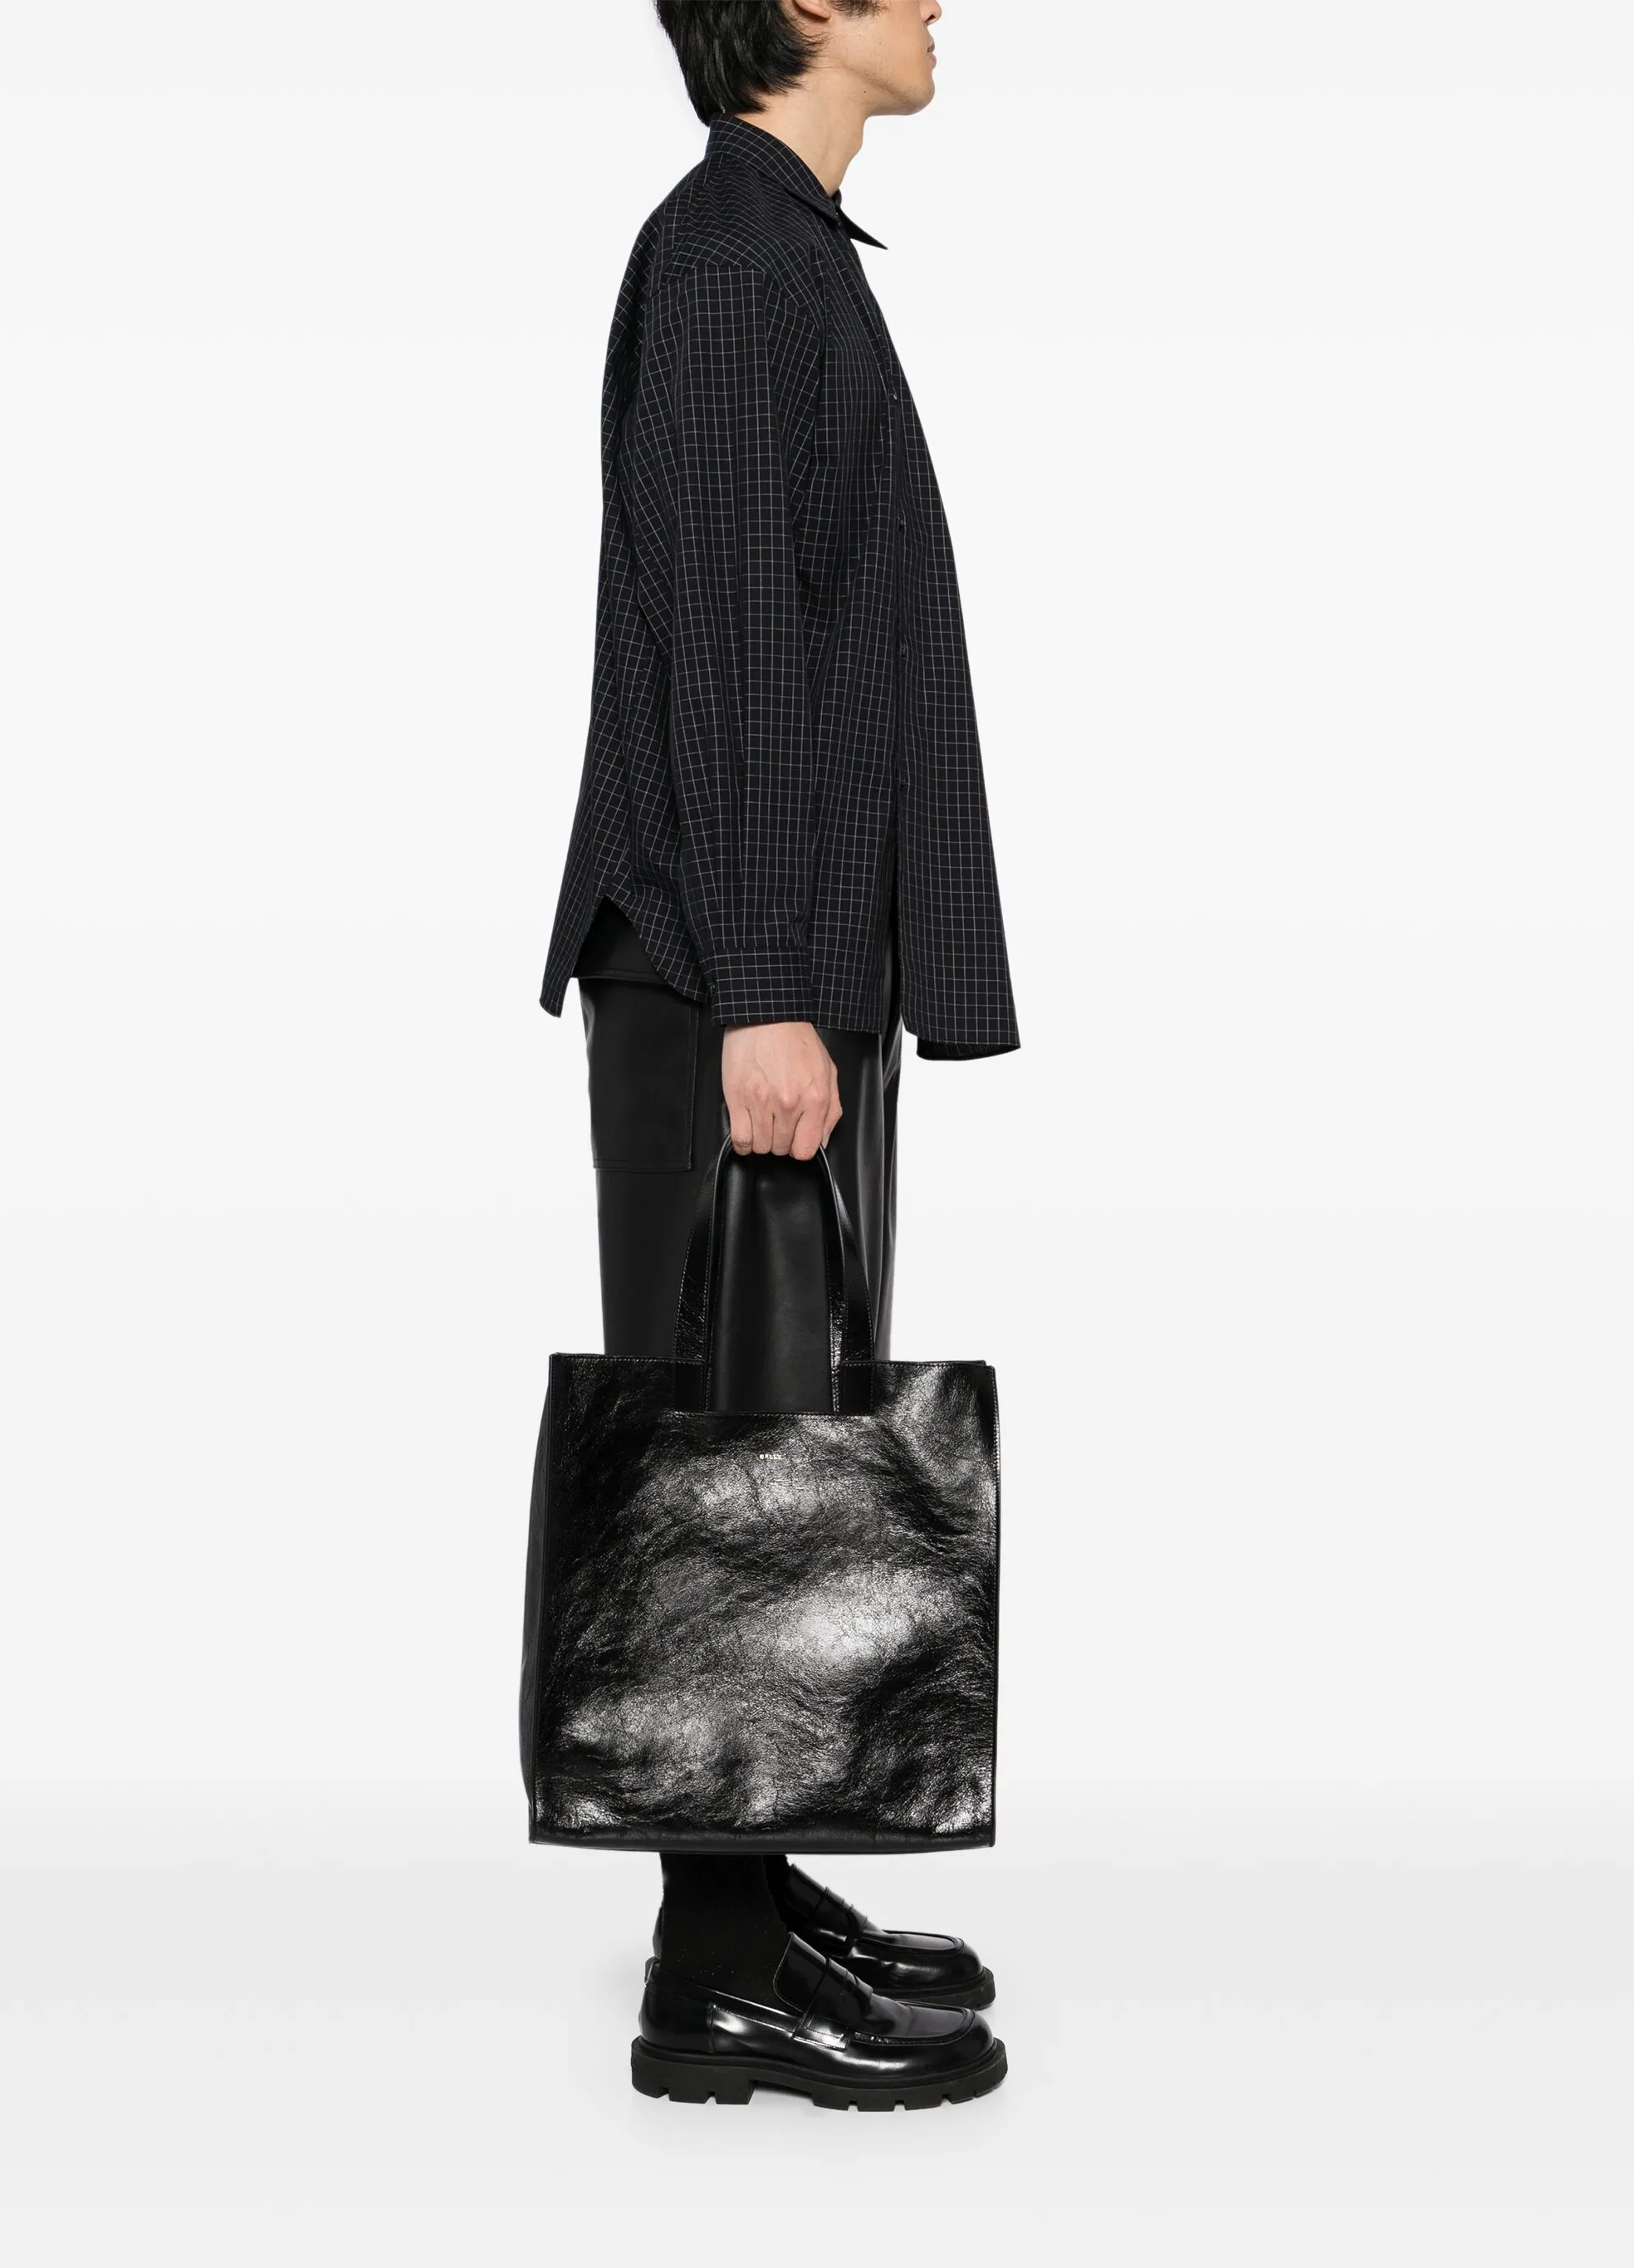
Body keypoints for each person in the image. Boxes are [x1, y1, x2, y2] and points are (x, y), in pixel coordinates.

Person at [538, 0, 1019, 2109]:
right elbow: (731, 649)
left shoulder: (777, 249)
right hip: (732, 965)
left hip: (785, 953)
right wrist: (760, 994)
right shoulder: (734, 261)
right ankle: (716, 1968)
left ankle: (742, 1875)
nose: (939, 4)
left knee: (782, 1418)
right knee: (728, 1439)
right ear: (803, 6)